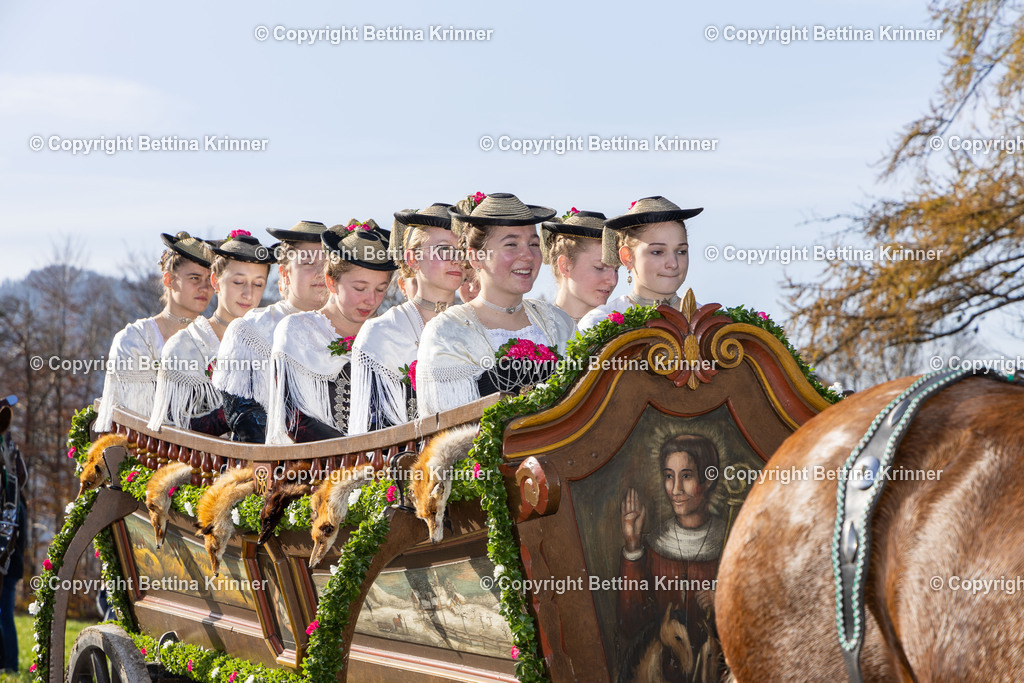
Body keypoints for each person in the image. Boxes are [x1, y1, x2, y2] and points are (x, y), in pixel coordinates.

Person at [416, 193, 576, 415]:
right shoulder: (446, 332)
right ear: (476, 257)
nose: (528, 255)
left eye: (533, 244)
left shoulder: (559, 323)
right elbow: (451, 431)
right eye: (511, 244)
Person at [266, 221, 397, 443]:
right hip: (311, 466)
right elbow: (294, 418)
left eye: (380, 289)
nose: (371, 300)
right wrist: (355, 452)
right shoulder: (296, 329)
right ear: (331, 282)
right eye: (360, 288)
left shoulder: (385, 334)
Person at [348, 204, 463, 433]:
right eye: (444, 250)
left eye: (462, 250)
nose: (456, 259)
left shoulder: (475, 326)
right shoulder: (382, 332)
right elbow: (372, 431)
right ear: (412, 258)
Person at [212, 220, 329, 442]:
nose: (319, 272)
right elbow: (244, 419)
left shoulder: (345, 329)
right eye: (308, 263)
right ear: (285, 274)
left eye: (325, 264)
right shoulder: (250, 329)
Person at [618, 434, 725, 675]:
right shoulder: (656, 545)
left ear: (708, 480)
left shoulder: (730, 541)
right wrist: (633, 548)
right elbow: (631, 625)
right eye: (669, 476)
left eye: (686, 476)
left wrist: (724, 605)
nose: (675, 489)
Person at [148, 231, 274, 434]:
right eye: (238, 282)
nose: (248, 294)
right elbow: (172, 429)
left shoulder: (272, 344)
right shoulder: (184, 347)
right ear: (215, 281)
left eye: (258, 284)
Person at [96, 232, 214, 431]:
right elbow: (135, 418)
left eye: (209, 280)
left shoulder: (215, 338)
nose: (205, 287)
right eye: (195, 278)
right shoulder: (136, 339)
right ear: (168, 279)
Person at [578, 196, 702, 330]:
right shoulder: (599, 323)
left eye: (681, 251)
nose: (673, 264)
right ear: (627, 257)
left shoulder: (709, 323)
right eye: (657, 252)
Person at [540, 209, 619, 324]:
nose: (613, 281)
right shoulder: (533, 330)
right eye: (599, 267)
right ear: (565, 266)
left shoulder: (625, 333)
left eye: (616, 270)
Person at [0, 396, 26, 673]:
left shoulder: (15, 503)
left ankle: (10, 666)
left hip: (9, 558)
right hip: (9, 556)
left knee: (5, 611)